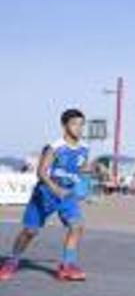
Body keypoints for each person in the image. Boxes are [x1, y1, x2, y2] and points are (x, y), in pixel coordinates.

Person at [0, 109, 90, 282]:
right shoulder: (54, 147)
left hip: (67, 194)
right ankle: (12, 261)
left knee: (77, 226)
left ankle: (67, 266)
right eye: (74, 124)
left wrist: (90, 170)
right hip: (45, 193)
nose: (78, 128)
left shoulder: (84, 148)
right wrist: (54, 188)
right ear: (64, 126)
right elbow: (41, 172)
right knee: (30, 231)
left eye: (81, 124)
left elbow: (79, 166)